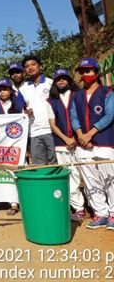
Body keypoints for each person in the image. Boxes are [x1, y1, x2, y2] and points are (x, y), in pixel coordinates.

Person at [70, 58, 114, 230]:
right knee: (90, 181)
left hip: (104, 142)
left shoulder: (108, 92)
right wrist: (81, 134)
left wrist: (90, 133)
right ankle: (100, 213)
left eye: (88, 71)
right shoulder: (77, 95)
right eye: (82, 71)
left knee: (109, 179)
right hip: (84, 144)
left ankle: (113, 213)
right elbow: (74, 116)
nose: (85, 74)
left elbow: (110, 115)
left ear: (96, 73)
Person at [47, 69, 85, 222]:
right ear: (55, 82)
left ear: (69, 80)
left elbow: (83, 118)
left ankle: (99, 209)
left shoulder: (79, 96)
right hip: (61, 144)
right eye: (58, 79)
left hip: (81, 142)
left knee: (87, 175)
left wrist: (76, 138)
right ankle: (79, 208)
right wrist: (66, 139)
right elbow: (53, 124)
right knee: (71, 177)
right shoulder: (51, 101)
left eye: (64, 78)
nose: (61, 81)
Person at [0, 77, 25, 216]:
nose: (2, 92)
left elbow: (24, 120)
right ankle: (10, 202)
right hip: (0, 144)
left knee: (18, 170)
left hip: (16, 144)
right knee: (3, 172)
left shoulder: (17, 104)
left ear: (10, 91)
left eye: (5, 89)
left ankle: (19, 201)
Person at [19, 55, 57, 165]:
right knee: (39, 166)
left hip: (52, 130)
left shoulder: (51, 83)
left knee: (56, 163)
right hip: (34, 132)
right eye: (27, 66)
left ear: (40, 66)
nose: (30, 68)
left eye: (33, 65)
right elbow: (20, 109)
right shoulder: (22, 89)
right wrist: (25, 112)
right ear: (24, 70)